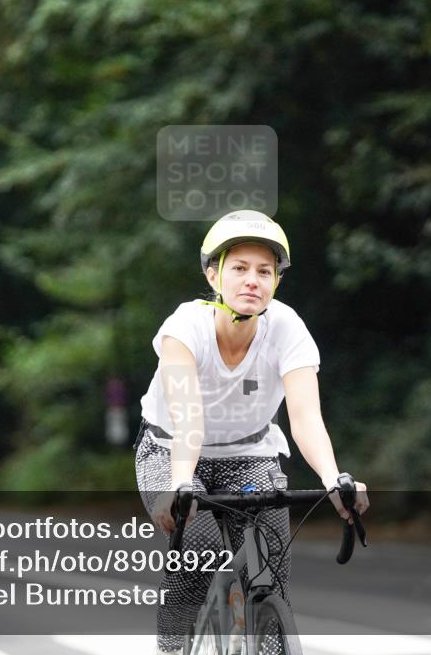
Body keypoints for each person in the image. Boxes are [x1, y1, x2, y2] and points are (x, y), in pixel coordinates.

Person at [135, 210, 369, 654]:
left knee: (272, 568)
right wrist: (182, 485)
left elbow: (304, 417)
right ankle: (170, 648)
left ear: (276, 281)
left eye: (265, 271)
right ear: (213, 274)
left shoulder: (287, 329)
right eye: (239, 269)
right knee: (199, 551)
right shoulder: (183, 330)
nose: (252, 281)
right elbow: (188, 418)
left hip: (250, 452)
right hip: (170, 450)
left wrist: (333, 480)